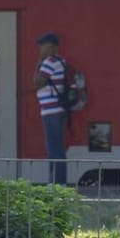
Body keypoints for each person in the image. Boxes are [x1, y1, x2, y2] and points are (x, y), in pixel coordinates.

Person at [29, 32, 71, 185]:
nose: (40, 48)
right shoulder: (61, 61)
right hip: (58, 110)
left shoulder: (49, 62)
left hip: (51, 111)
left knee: (53, 149)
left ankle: (57, 184)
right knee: (58, 148)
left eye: (43, 45)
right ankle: (58, 182)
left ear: (52, 47)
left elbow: (37, 81)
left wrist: (39, 62)